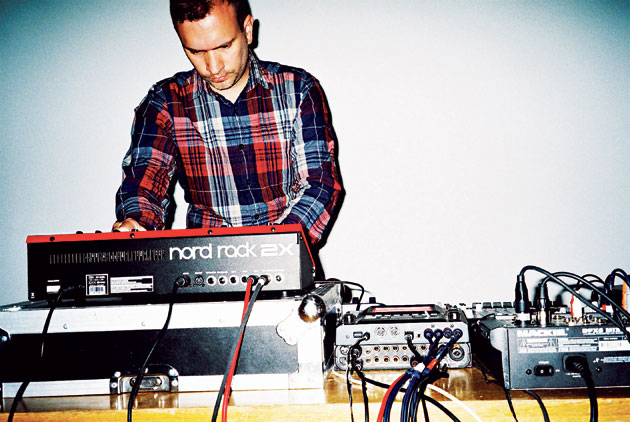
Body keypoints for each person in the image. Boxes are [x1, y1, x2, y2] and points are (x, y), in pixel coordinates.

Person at [113, 0, 342, 245]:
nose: (213, 67)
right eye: (196, 51)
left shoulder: (297, 89)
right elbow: (146, 181)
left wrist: (276, 248)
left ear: (248, 30)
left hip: (285, 255)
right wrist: (136, 223)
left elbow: (319, 184)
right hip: (204, 259)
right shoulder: (165, 103)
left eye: (224, 46)